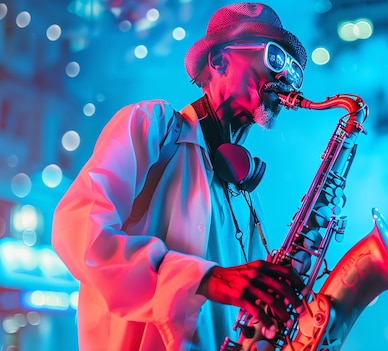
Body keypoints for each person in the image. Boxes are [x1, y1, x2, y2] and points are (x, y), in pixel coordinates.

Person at [52, 3, 308, 350]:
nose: (286, 78)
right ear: (218, 61)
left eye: (294, 70)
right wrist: (207, 279)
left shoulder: (247, 192)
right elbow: (79, 232)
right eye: (275, 58)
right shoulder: (152, 127)